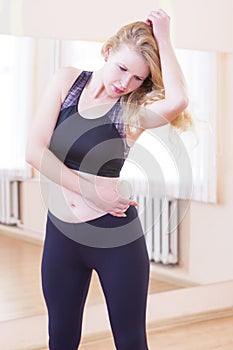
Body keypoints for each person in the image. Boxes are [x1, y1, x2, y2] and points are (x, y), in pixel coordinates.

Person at [26, 9, 191, 350]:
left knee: (130, 342)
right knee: (61, 339)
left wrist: (164, 37)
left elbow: (178, 100)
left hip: (115, 239)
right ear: (106, 51)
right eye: (122, 68)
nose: (125, 83)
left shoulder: (129, 113)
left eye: (137, 79)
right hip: (61, 235)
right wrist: (90, 191)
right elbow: (33, 150)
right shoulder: (67, 82)